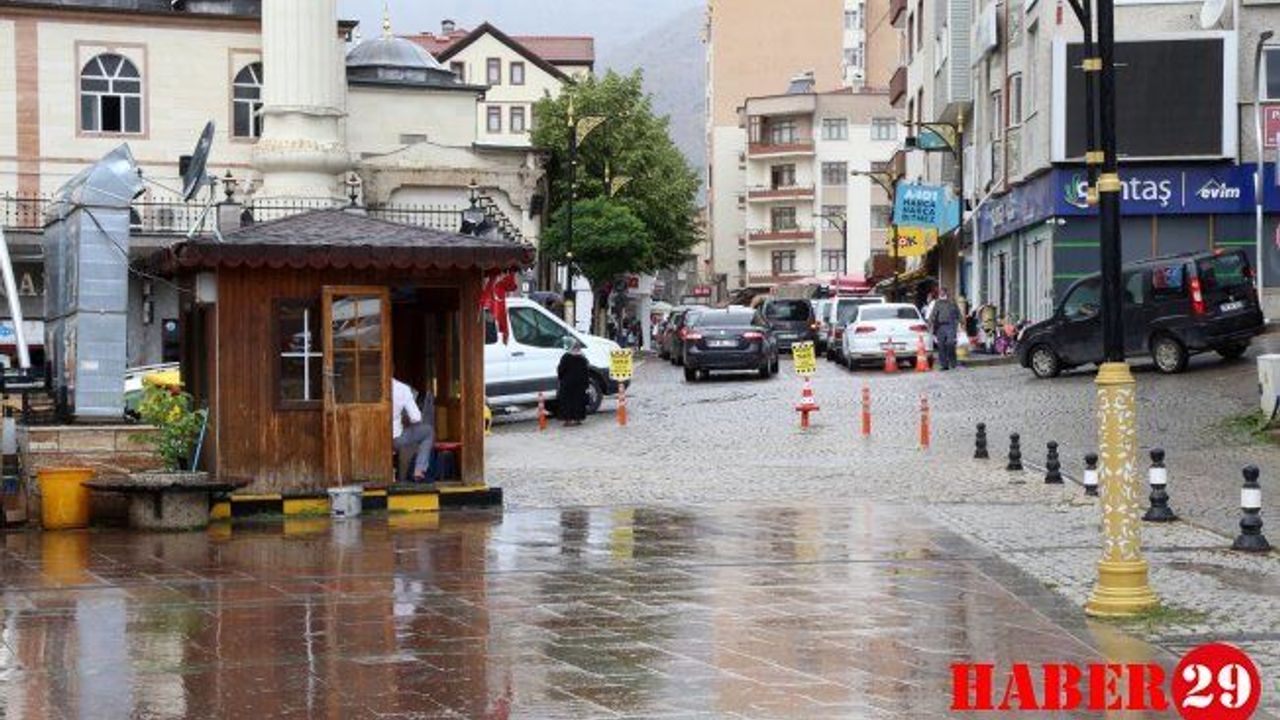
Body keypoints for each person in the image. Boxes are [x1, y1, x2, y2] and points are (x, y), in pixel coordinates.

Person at [392, 377, 435, 482]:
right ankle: (419, 470)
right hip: (395, 439)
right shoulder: (402, 388)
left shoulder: (366, 384)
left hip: (372, 438)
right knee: (428, 431)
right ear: (392, 369)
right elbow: (416, 418)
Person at [556, 342, 591, 426]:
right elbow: (586, 372)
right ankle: (577, 419)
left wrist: (561, 378)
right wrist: (586, 384)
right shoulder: (583, 358)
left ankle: (568, 420)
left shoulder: (566, 357)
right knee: (578, 401)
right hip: (580, 383)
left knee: (567, 401)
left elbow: (560, 370)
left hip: (567, 382)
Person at [928, 287, 962, 371]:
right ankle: (944, 365)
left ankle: (953, 361)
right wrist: (930, 323)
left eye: (942, 291)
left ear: (946, 292)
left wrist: (962, 322)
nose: (941, 293)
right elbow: (933, 314)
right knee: (941, 346)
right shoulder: (937, 303)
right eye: (940, 292)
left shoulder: (952, 302)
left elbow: (958, 313)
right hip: (940, 326)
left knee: (950, 343)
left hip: (951, 325)